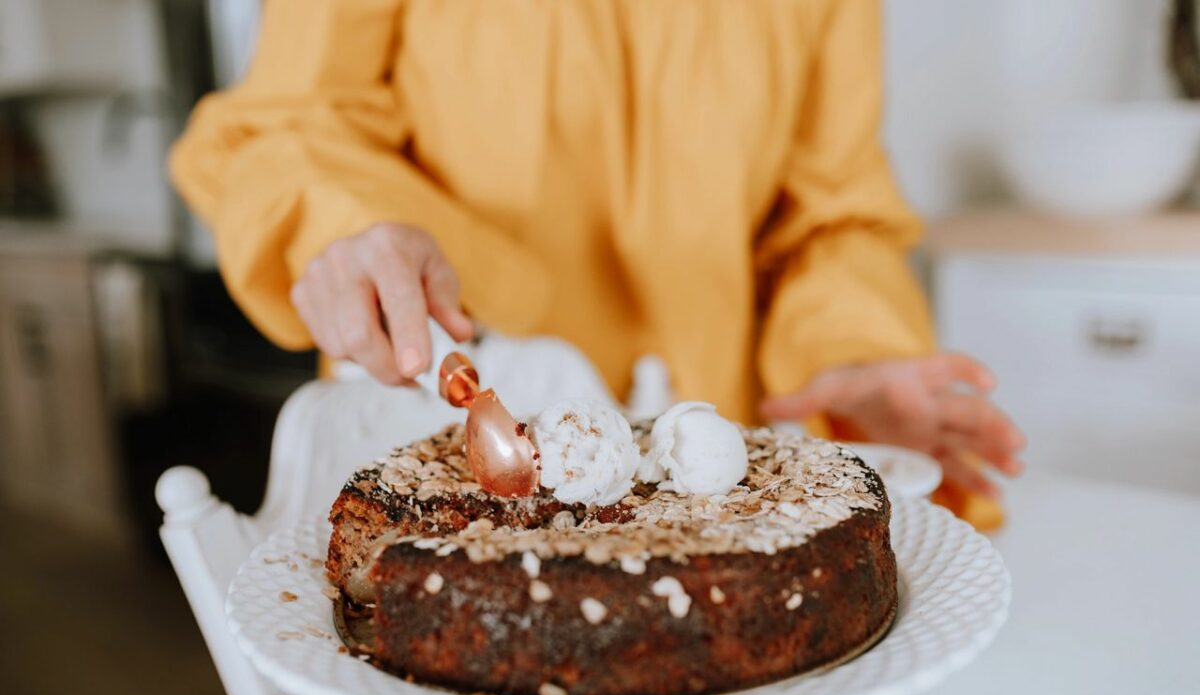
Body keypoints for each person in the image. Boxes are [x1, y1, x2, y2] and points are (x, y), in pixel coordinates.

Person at [171, 0, 1023, 527]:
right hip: (443, 460)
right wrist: (341, 230)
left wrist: (855, 357)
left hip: (712, 510)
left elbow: (829, 218)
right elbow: (287, 129)